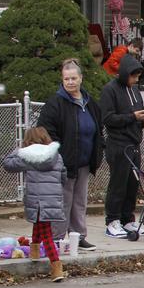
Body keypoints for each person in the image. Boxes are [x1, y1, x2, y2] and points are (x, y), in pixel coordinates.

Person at [37, 58, 103, 251]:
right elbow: (45, 131)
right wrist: (58, 154)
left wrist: (100, 148)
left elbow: (98, 128)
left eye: (74, 78)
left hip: (84, 161)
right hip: (63, 162)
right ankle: (56, 239)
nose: (71, 82)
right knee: (62, 201)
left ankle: (79, 237)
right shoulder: (55, 103)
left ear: (81, 78)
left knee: (80, 201)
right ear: (62, 80)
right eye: (67, 79)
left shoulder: (90, 102)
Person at [2, 127, 66, 282]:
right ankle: (35, 251)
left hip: (37, 199)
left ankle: (56, 267)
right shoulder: (55, 155)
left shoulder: (27, 156)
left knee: (47, 234)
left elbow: (7, 164)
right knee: (40, 223)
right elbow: (63, 175)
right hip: (52, 198)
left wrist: (18, 150)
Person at [101, 53, 144, 238]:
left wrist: (143, 122)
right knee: (118, 184)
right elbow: (107, 118)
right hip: (118, 144)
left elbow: (137, 115)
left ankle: (128, 219)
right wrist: (133, 118)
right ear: (125, 73)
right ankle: (112, 220)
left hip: (134, 143)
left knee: (132, 184)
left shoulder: (135, 91)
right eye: (133, 76)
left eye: (138, 76)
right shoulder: (110, 90)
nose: (136, 79)